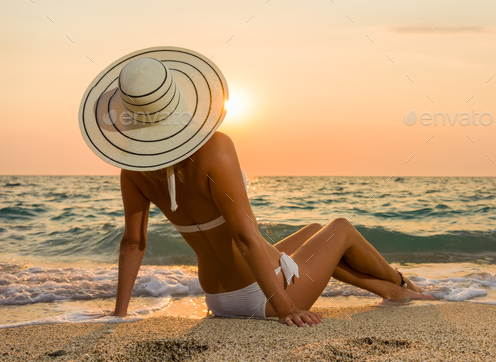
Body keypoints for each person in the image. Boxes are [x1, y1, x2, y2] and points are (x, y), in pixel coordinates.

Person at [78, 46, 434, 328]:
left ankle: (389, 290)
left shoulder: (134, 170)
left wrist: (119, 313)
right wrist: (284, 306)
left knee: (313, 232)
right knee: (340, 228)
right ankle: (403, 284)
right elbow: (244, 235)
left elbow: (133, 243)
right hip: (261, 296)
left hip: (217, 298)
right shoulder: (216, 147)